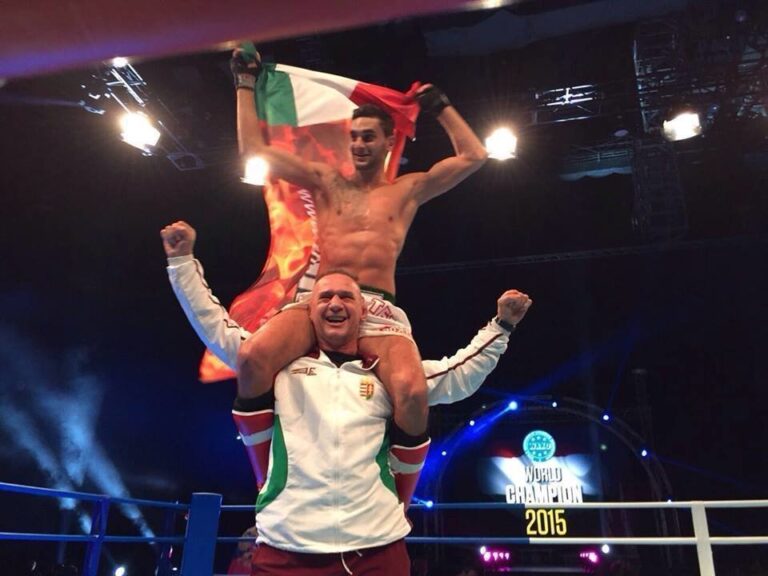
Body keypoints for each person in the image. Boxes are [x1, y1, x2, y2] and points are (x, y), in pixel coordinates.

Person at [161, 222, 532, 576]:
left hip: (376, 547)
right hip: (286, 545)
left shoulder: (387, 375)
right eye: (325, 297)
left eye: (346, 297)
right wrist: (182, 263)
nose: (335, 303)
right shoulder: (281, 370)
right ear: (309, 311)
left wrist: (501, 326)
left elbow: (460, 375)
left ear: (362, 311)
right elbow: (217, 328)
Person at [231, 50, 489, 503]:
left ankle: (398, 504)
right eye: (354, 137)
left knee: (412, 392)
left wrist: (440, 105)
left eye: (369, 137)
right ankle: (264, 479)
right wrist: (244, 84)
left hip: (377, 309)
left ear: (389, 141)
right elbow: (254, 151)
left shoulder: (408, 191)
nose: (359, 145)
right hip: (322, 299)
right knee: (252, 359)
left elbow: (475, 156)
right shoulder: (325, 181)